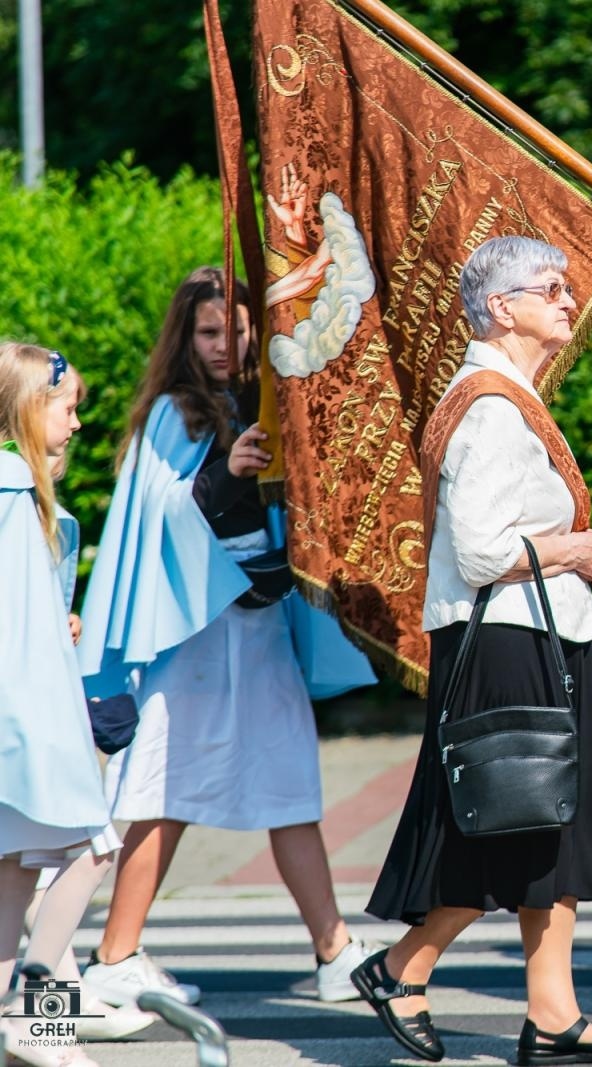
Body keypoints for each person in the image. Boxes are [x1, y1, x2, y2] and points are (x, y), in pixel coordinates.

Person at [358, 235, 592, 1065]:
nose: (566, 299)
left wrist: (565, 550)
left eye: (565, 285)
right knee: (514, 829)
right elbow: (484, 550)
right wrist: (573, 549)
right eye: (548, 288)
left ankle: (553, 1014)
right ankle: (404, 966)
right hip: (509, 641)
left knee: (546, 832)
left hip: (534, 635)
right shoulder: (488, 405)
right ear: (499, 307)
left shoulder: (505, 395)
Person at [76, 268, 376, 1009]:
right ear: (185, 338)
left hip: (261, 626)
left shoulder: (264, 400)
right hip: (192, 638)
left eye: (235, 330)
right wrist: (229, 471)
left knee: (289, 782)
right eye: (209, 331)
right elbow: (162, 519)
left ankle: (334, 948)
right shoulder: (173, 415)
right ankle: (114, 955)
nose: (223, 344)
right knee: (162, 789)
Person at [0, 343, 119, 1067]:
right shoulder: (16, 492)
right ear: (27, 407)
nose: (76, 423)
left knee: (13, 870)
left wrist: (55, 612)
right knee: (92, 848)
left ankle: (23, 1026)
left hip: (19, 712)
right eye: (67, 407)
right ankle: (38, 1027)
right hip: (32, 713)